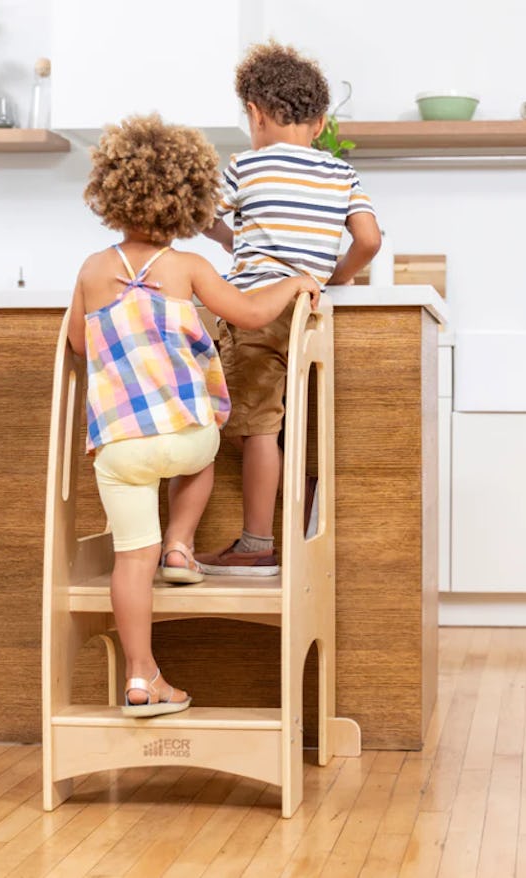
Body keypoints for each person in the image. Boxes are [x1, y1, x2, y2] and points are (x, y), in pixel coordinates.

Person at [67, 115, 320, 717]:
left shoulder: (92, 269)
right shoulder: (188, 268)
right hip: (185, 435)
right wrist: (293, 283)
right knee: (199, 458)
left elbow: (78, 345)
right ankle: (181, 544)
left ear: (110, 192)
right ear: (190, 198)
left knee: (132, 560)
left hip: (121, 446)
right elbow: (253, 315)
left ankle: (140, 676)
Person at [197, 41, 382, 576]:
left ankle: (256, 542)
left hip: (255, 306)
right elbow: (368, 239)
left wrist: (227, 238)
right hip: (310, 313)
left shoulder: (246, 166)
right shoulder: (341, 175)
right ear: (321, 122)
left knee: (258, 425)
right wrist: (333, 277)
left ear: (254, 114)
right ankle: (301, 526)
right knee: (287, 421)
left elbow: (198, 216)